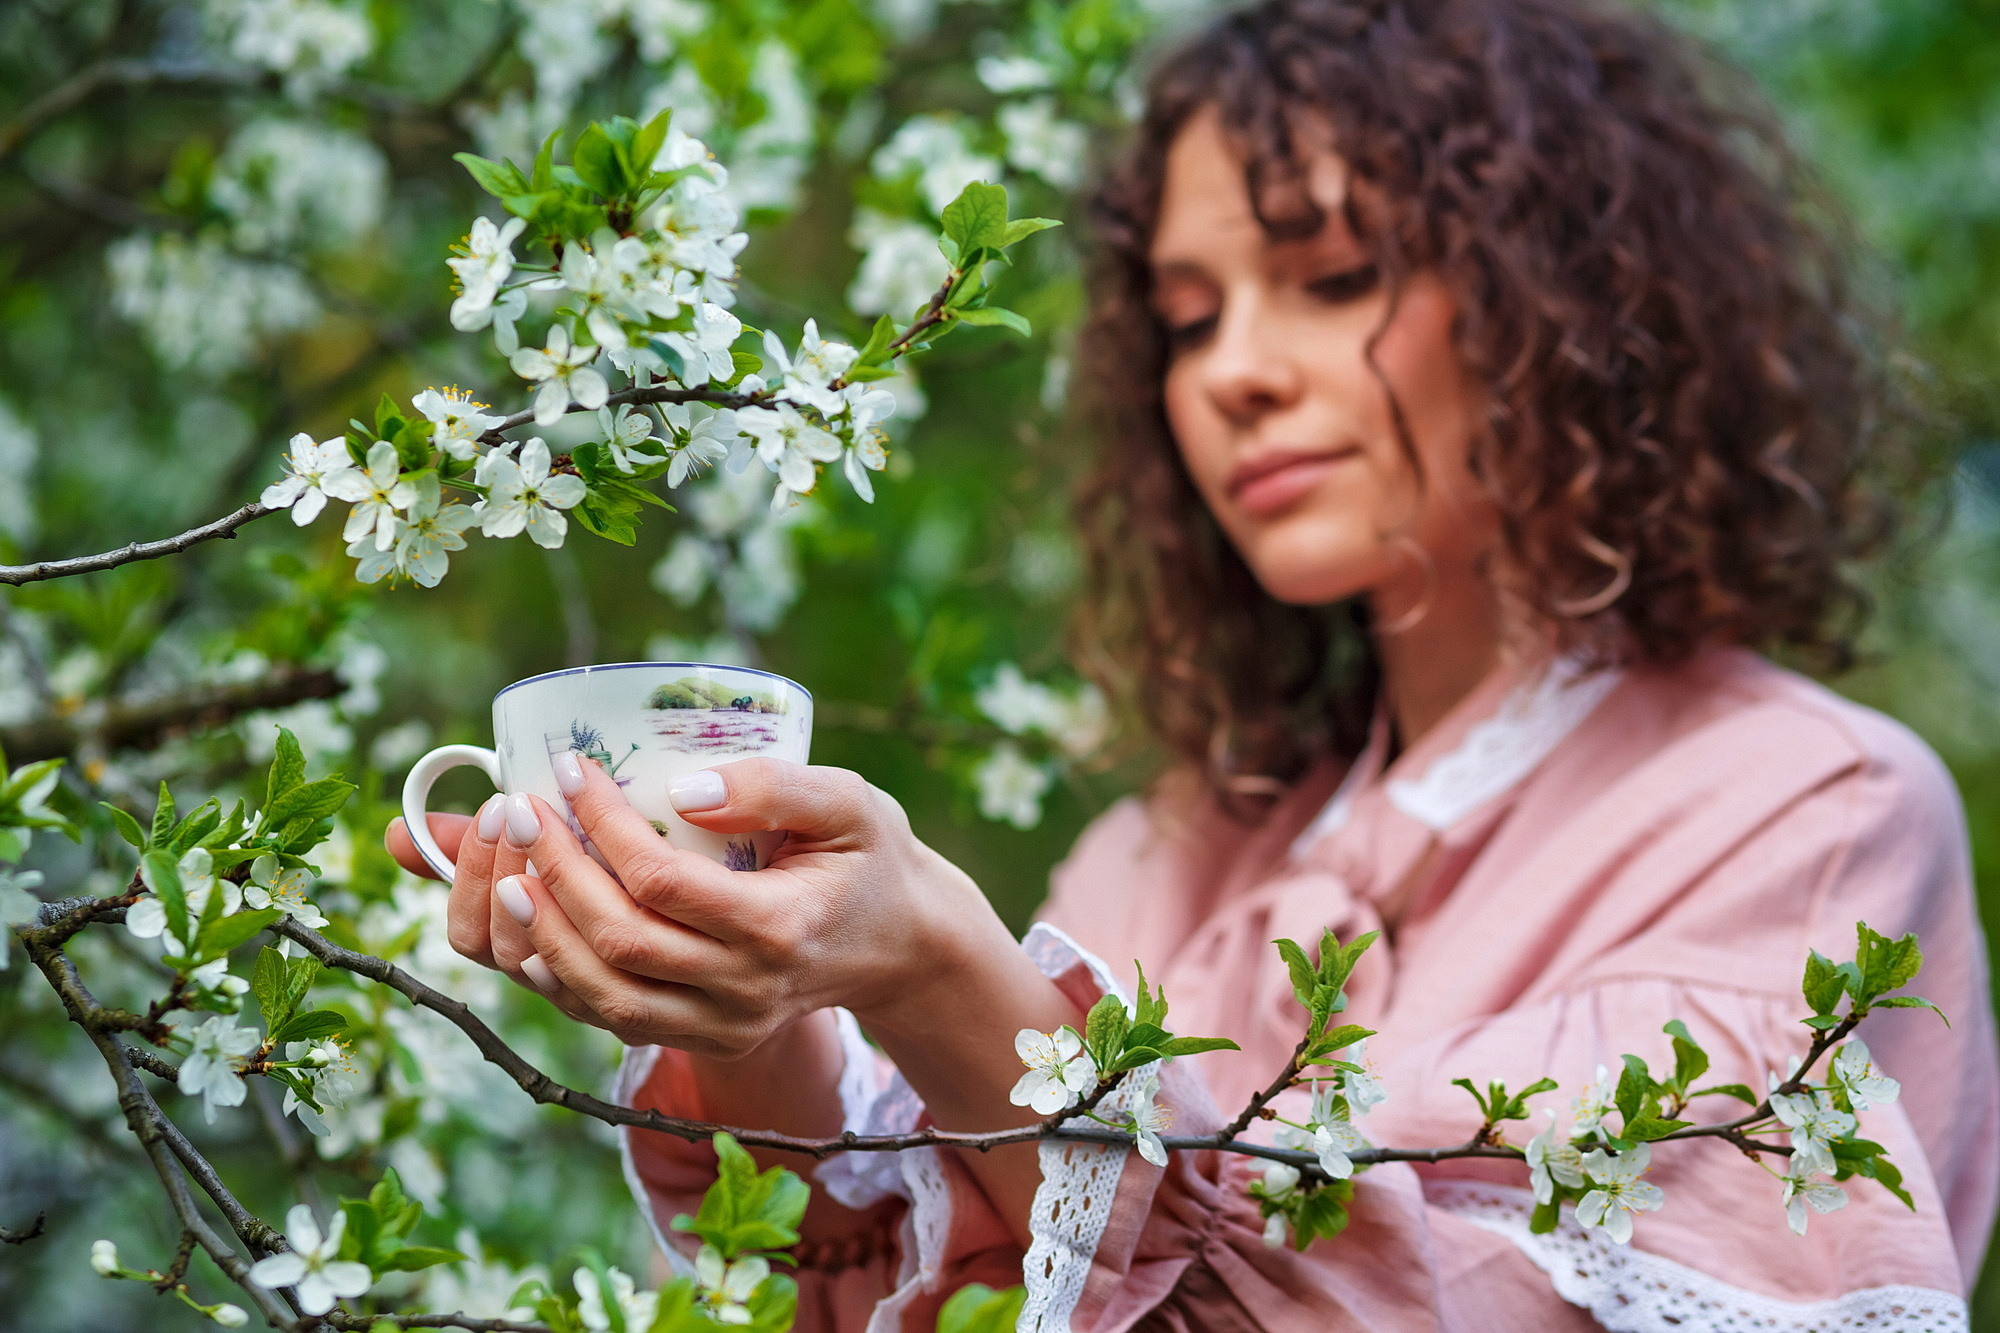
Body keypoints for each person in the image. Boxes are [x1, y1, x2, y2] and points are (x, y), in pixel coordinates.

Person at [388, 0, 2000, 1327]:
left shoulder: (1807, 809)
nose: (1233, 372)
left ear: (1569, 298)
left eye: (1334, 277)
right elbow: (878, 1282)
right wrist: (740, 981)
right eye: (1186, 315)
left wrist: (944, 971)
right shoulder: (1157, 858)